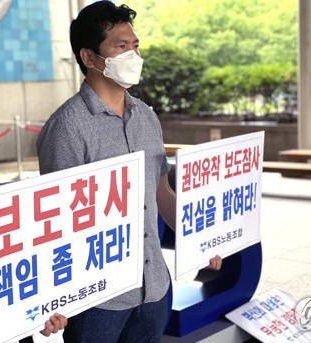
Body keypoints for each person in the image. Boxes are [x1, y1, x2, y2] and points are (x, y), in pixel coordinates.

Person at [36, 1, 221, 342]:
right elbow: (55, 225)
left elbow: (160, 191)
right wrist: (49, 298)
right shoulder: (67, 128)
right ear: (89, 58)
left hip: (154, 287)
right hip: (98, 301)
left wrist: (197, 238)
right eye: (120, 47)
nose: (133, 55)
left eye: (135, 45)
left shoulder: (147, 118)